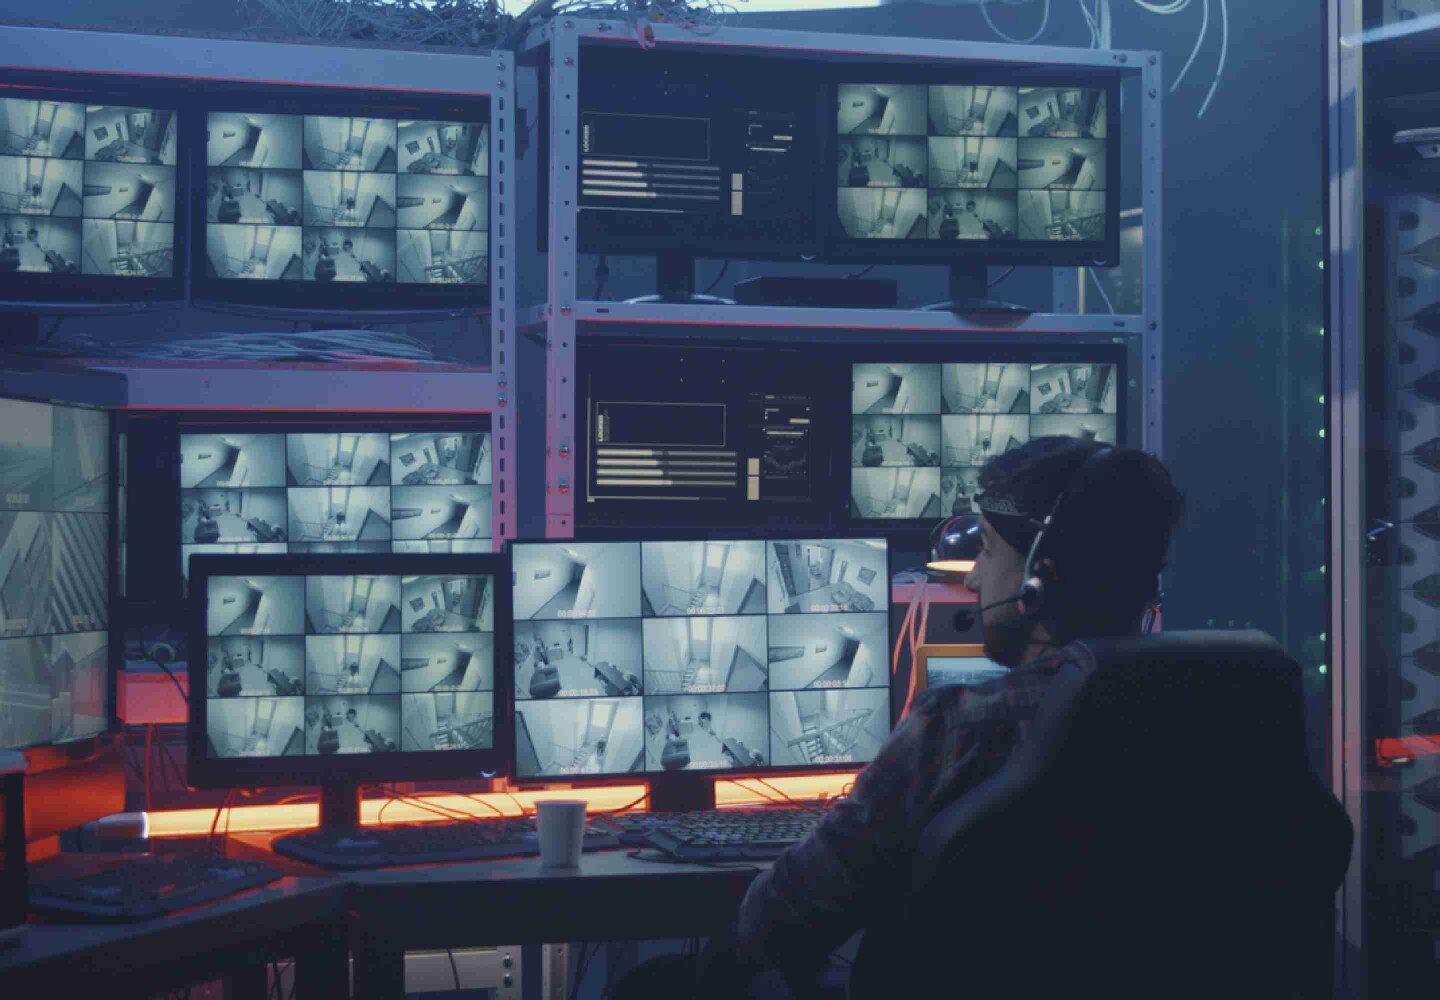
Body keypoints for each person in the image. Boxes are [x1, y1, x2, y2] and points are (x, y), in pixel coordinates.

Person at [615, 437, 1184, 999]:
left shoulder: (960, 727)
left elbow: (788, 910)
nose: (972, 579)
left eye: (987, 551)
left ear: (1042, 578)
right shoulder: (1199, 726)